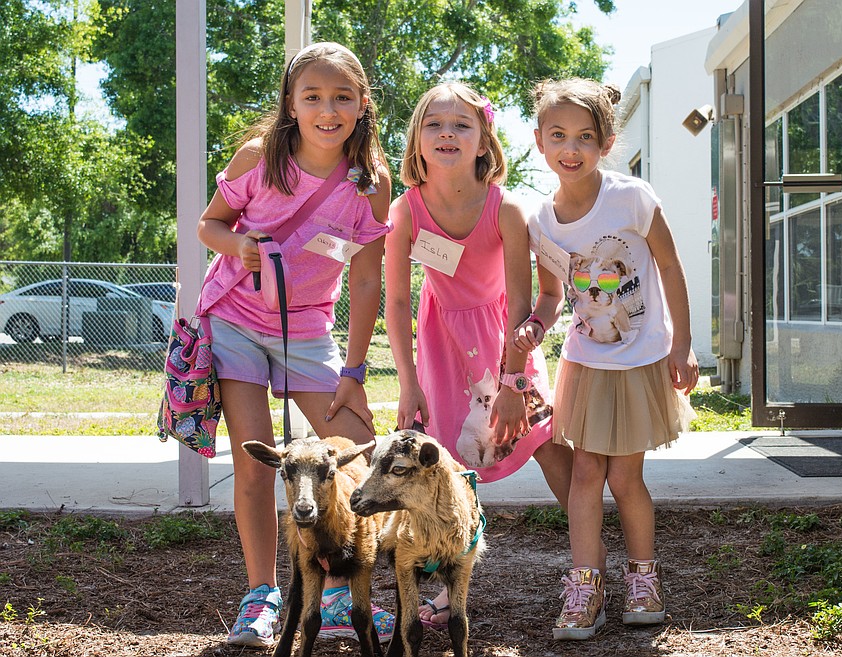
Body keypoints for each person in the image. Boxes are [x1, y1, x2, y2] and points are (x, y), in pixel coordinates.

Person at [196, 42, 394, 647]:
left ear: (363, 104)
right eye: (312, 97)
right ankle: (261, 597)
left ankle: (337, 593)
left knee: (360, 454)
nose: (327, 110)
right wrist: (239, 248)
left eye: (342, 97)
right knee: (257, 465)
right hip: (235, 317)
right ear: (291, 103)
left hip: (308, 328)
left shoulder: (370, 182)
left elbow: (366, 278)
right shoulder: (260, 156)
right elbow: (210, 226)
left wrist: (355, 368)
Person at [384, 82, 575, 627]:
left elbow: (520, 302)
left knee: (545, 445)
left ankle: (590, 564)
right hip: (442, 349)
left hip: (504, 343)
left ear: (484, 140)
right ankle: (449, 585)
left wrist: (514, 386)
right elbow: (396, 301)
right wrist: (407, 382)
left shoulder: (506, 208)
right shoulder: (406, 211)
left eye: (462, 124)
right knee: (444, 470)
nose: (448, 134)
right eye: (434, 124)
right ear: (417, 140)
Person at [516, 77, 699, 640]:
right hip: (586, 365)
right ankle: (585, 587)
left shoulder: (631, 198)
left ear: (605, 142)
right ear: (541, 143)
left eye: (585, 137)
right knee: (586, 475)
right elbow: (550, 295)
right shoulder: (540, 221)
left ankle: (644, 581)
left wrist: (683, 343)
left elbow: (670, 267)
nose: (571, 149)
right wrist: (533, 326)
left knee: (625, 477)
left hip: (641, 360)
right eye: (558, 136)